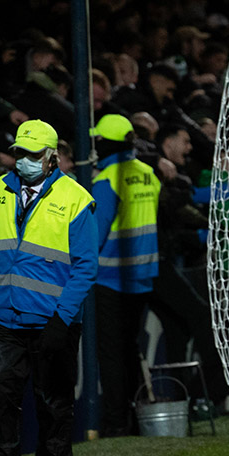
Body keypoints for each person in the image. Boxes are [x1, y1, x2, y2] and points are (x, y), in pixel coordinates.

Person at [0, 119, 97, 456]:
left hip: (51, 322)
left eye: (31, 154)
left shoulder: (76, 199)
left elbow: (86, 266)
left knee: (53, 404)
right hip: (4, 318)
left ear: (51, 157)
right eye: (18, 152)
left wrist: (62, 318)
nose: (21, 160)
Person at [90, 114, 160, 437]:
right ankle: (132, 418)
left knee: (112, 353)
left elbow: (96, 232)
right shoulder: (148, 174)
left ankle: (116, 423)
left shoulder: (107, 180)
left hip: (110, 278)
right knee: (131, 348)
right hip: (143, 275)